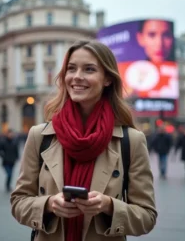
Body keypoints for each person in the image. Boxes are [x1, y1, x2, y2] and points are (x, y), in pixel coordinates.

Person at [10, 40, 157, 241]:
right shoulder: (39, 136)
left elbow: (147, 217)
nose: (77, 77)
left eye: (89, 69)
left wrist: (108, 206)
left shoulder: (131, 141)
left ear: (107, 79)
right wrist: (49, 204)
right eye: (71, 69)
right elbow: (18, 202)